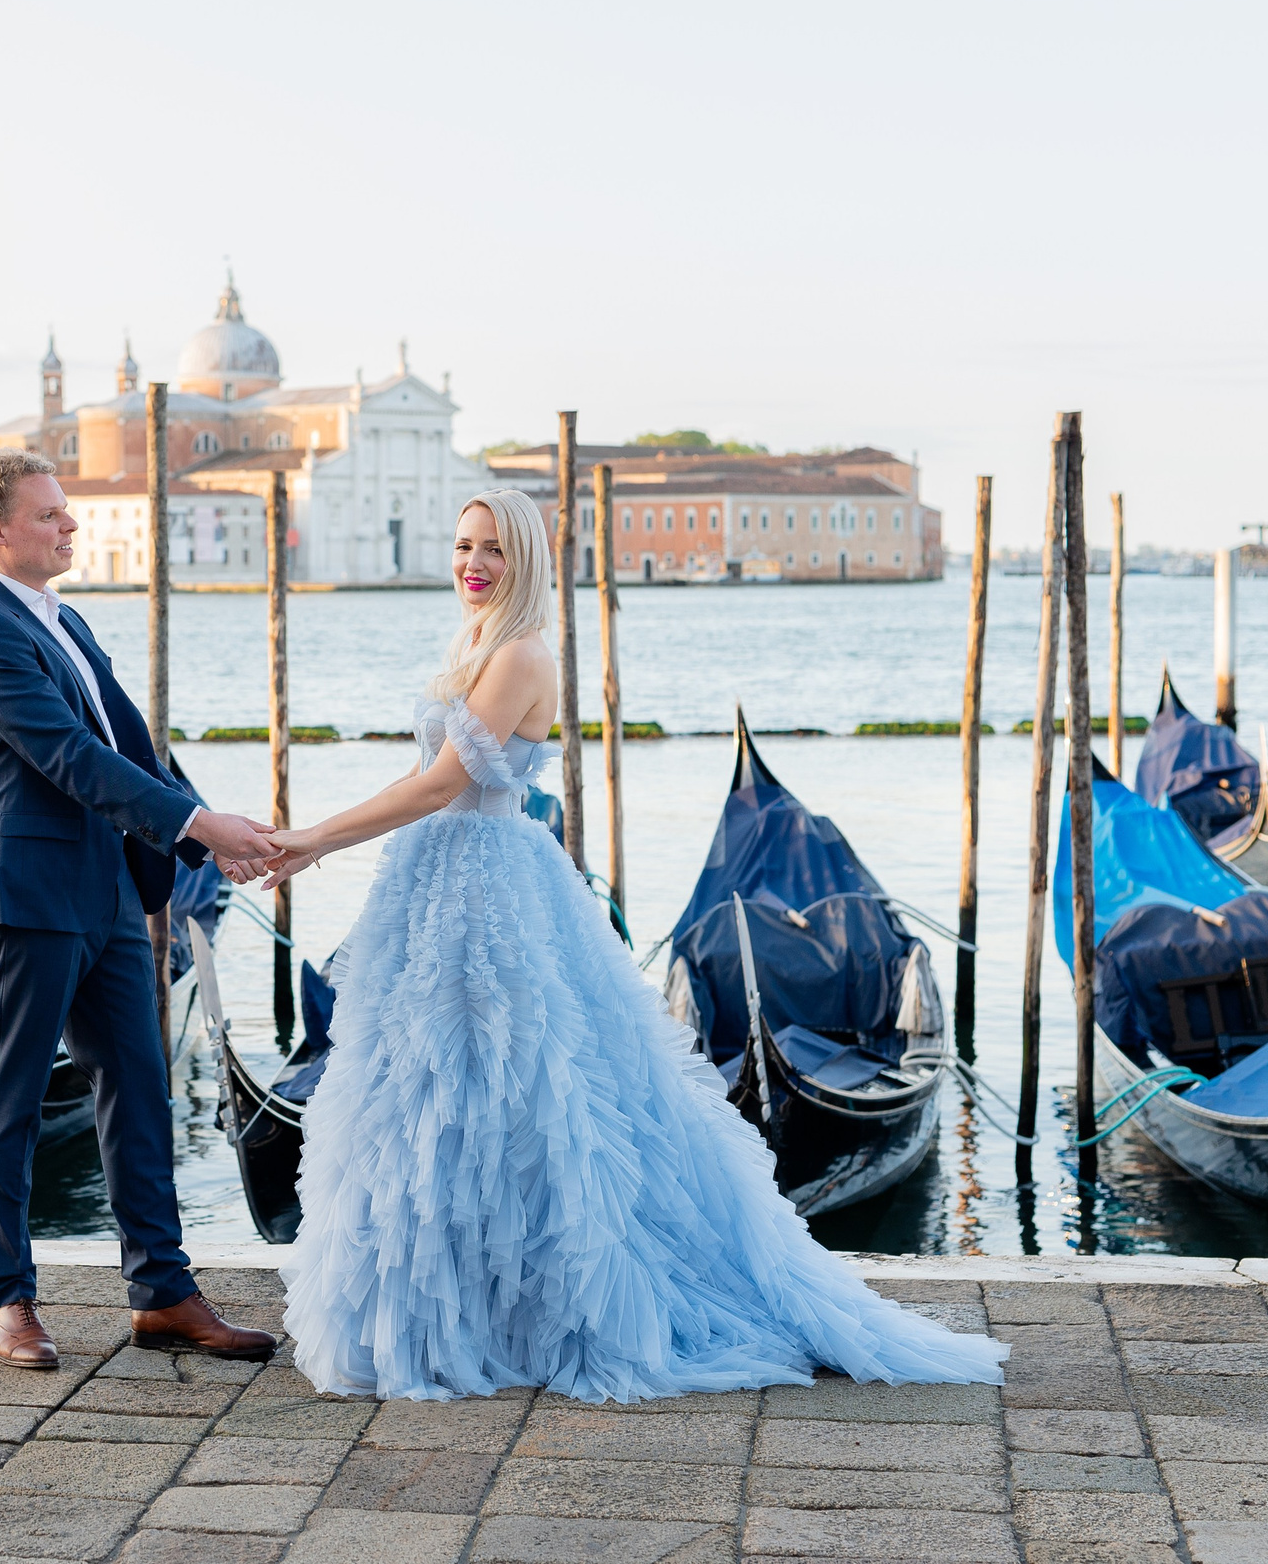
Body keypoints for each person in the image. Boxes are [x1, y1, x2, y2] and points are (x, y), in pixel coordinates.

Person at [253, 488, 1009, 1402]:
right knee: (437, 1096)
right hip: (440, 885)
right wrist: (310, 838)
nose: (472, 562)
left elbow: (442, 785)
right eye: (462, 545)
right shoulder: (478, 645)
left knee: (523, 1094)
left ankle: (530, 1306)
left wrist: (310, 839)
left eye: (491, 547)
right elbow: (422, 778)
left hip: (487, 889)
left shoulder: (523, 652)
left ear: (525, 555)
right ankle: (471, 1303)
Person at [0, 449, 282, 1371]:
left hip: (110, 895)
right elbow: (69, 761)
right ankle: (7, 1299)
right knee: (9, 1100)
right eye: (49, 514)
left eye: (67, 511)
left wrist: (218, 829)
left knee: (139, 1087)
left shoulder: (66, 618)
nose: (70, 525)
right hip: (31, 897)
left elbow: (132, 741)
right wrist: (200, 825)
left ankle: (164, 1293)